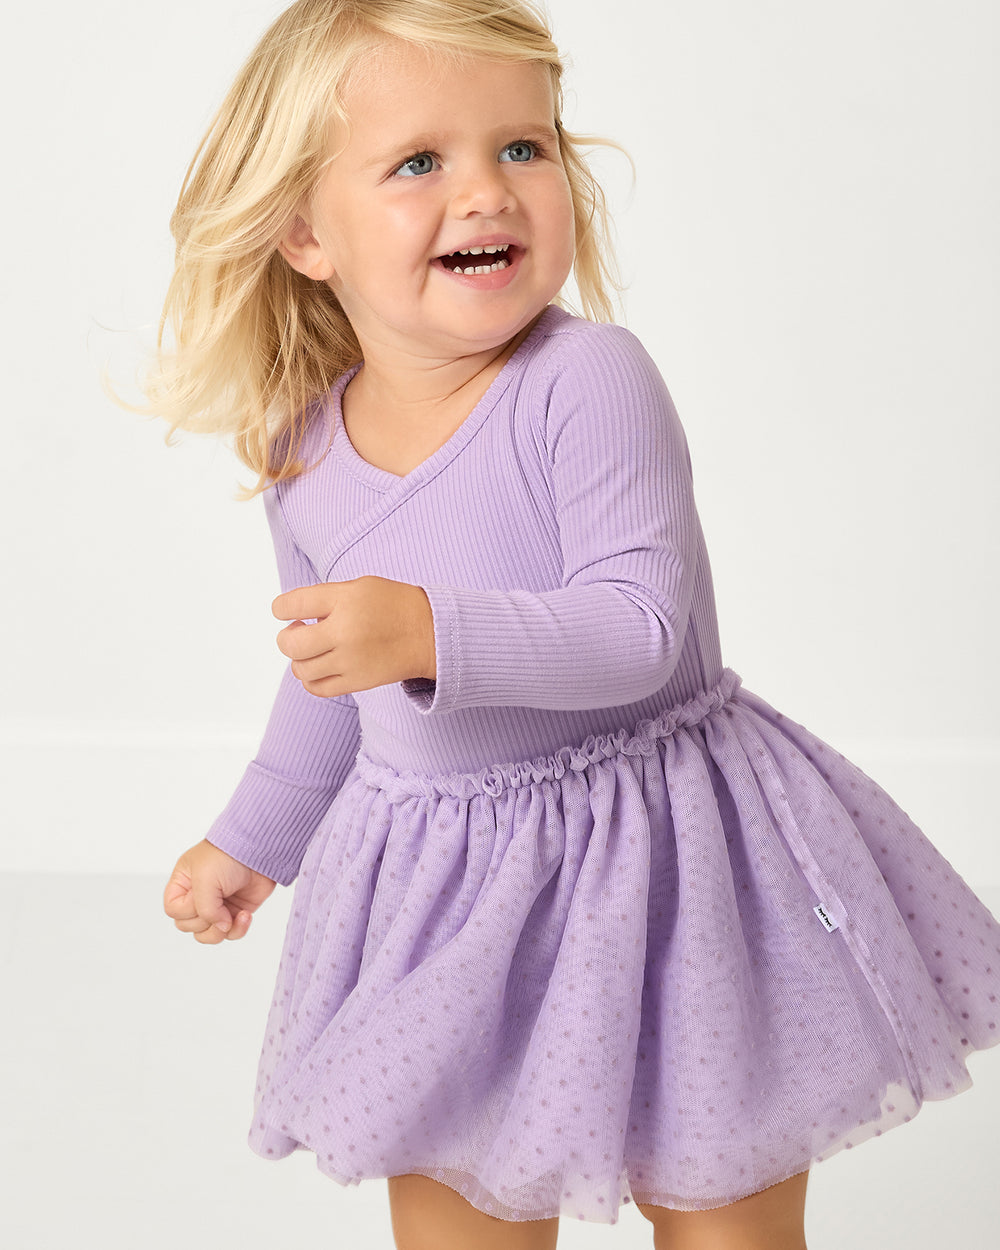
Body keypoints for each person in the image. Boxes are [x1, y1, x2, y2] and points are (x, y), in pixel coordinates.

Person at [150, 2, 1000, 1247]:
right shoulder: (304, 452)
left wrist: (431, 630)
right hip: (446, 900)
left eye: (523, 147)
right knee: (456, 1202)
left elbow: (638, 627)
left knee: (720, 1208)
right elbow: (332, 675)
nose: (488, 192)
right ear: (302, 230)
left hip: (665, 861)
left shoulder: (585, 381)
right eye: (419, 162)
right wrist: (254, 838)